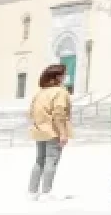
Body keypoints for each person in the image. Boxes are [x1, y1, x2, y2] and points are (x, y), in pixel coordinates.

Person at [27, 63, 72, 202]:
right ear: (58, 77)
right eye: (64, 74)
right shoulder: (60, 92)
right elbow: (59, 113)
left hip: (39, 130)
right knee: (51, 161)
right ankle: (46, 192)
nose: (65, 77)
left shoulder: (40, 93)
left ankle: (32, 191)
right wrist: (63, 133)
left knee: (39, 161)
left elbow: (30, 112)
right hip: (53, 131)